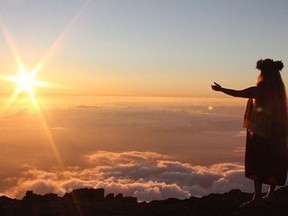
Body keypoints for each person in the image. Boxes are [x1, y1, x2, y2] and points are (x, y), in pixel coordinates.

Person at [211, 58, 287, 207]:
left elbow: (238, 93)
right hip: (277, 135)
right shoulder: (278, 93)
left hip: (260, 134)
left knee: (257, 162)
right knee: (274, 162)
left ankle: (257, 197)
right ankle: (270, 194)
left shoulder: (260, 90)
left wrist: (221, 89)